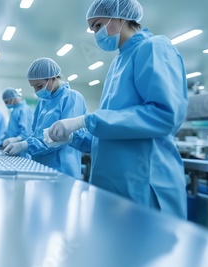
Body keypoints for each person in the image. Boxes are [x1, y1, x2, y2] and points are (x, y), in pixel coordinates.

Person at [46, 0, 188, 219]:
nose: (95, 33)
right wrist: (72, 137)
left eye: (98, 25)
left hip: (144, 183)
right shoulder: (118, 63)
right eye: (93, 28)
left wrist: (85, 120)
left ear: (120, 18)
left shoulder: (154, 47)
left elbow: (164, 115)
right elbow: (110, 133)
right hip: (114, 186)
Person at [3, 57, 87, 180]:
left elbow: (62, 138)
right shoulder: (43, 102)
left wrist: (26, 145)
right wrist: (22, 144)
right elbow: (35, 133)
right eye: (34, 87)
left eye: (39, 86)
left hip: (62, 169)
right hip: (40, 166)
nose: (36, 91)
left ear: (53, 78)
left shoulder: (72, 98)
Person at [0, 87, 34, 157]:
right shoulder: (14, 110)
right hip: (12, 148)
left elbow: (26, 133)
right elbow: (11, 129)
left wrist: (16, 139)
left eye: (7, 102)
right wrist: (3, 140)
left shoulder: (24, 110)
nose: (6, 105)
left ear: (13, 98)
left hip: (21, 149)